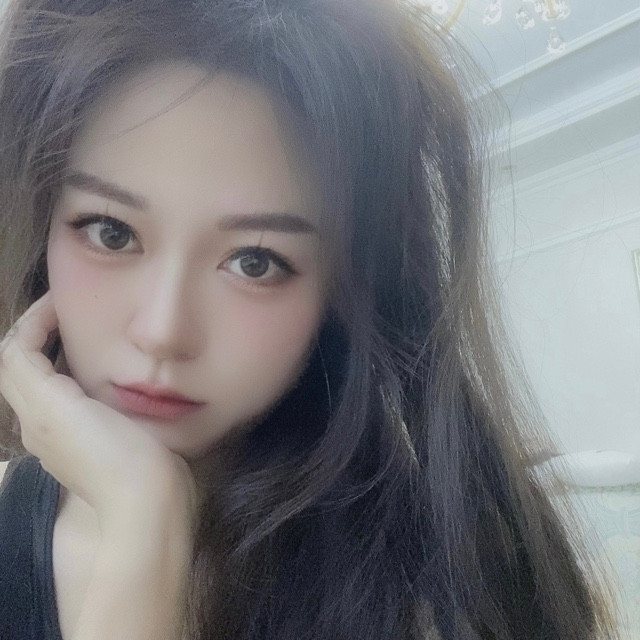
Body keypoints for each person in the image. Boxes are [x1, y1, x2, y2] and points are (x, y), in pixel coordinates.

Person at [0, 1, 615, 639]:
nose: (161, 331)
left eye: (255, 262)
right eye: (111, 231)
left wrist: (143, 531)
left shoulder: (451, 582)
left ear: (344, 291)